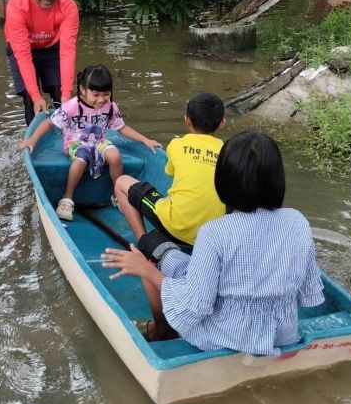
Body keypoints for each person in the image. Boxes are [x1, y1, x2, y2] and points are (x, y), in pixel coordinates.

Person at [102, 130, 325, 348]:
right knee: (172, 257)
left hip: (224, 336)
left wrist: (145, 270)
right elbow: (307, 288)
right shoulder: (297, 221)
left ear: (223, 181)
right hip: (283, 333)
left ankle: (162, 331)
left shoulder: (215, 232)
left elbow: (196, 305)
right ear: (278, 180)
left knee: (149, 250)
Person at [19, 65, 160, 221]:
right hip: (75, 142)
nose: (101, 99)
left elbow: (122, 127)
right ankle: (67, 198)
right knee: (82, 158)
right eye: (96, 94)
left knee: (115, 156)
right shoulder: (72, 106)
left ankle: (117, 194)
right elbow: (49, 124)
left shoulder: (110, 107)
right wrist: (32, 139)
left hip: (99, 141)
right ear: (83, 90)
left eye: (106, 94)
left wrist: (145, 140)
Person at [114, 92, 226, 246]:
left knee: (121, 182)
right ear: (222, 123)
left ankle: (144, 244)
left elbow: (169, 172)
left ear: (187, 120)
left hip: (174, 227)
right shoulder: (227, 152)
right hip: (210, 236)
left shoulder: (176, 145)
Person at [5, 0, 80, 125]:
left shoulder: (68, 7)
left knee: (59, 93)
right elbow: (23, 56)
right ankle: (32, 141)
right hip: (23, 50)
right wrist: (35, 95)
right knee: (30, 99)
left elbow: (68, 52)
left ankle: (65, 137)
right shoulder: (17, 6)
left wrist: (67, 95)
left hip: (52, 47)